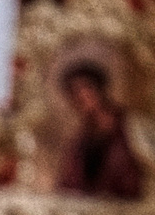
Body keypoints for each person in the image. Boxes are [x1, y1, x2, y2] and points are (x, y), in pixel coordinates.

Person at [53, 61, 143, 200]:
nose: (79, 97)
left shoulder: (129, 127)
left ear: (99, 89)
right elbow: (69, 182)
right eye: (73, 92)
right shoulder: (82, 138)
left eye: (85, 89)